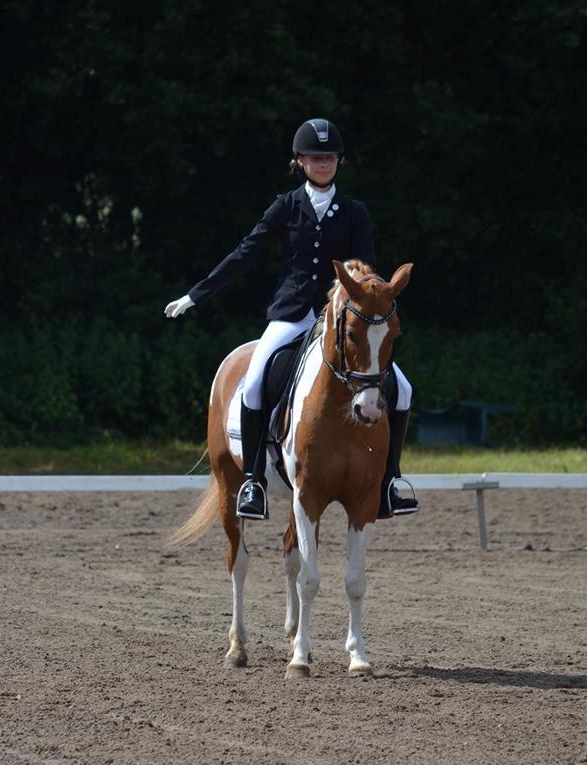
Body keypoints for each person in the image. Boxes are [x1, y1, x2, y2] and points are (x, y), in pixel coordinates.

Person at [165, 118, 418, 521]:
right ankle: (252, 482)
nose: (323, 164)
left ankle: (390, 480)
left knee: (401, 387)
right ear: (300, 161)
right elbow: (246, 252)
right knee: (254, 382)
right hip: (293, 314)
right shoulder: (286, 206)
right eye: (316, 158)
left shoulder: (354, 211)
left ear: (338, 161)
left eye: (330, 158)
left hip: (341, 317)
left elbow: (366, 268)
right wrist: (197, 294)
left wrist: (369, 294)